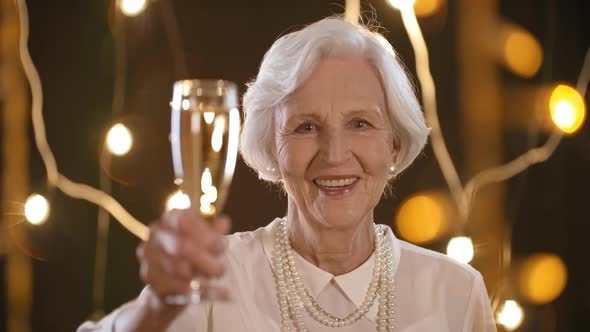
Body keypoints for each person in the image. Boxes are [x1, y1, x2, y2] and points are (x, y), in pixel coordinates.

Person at [78, 16, 497, 332]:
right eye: (306, 127)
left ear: (395, 143)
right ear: (270, 149)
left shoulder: (457, 293)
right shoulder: (209, 278)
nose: (335, 155)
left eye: (361, 124)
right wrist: (155, 311)